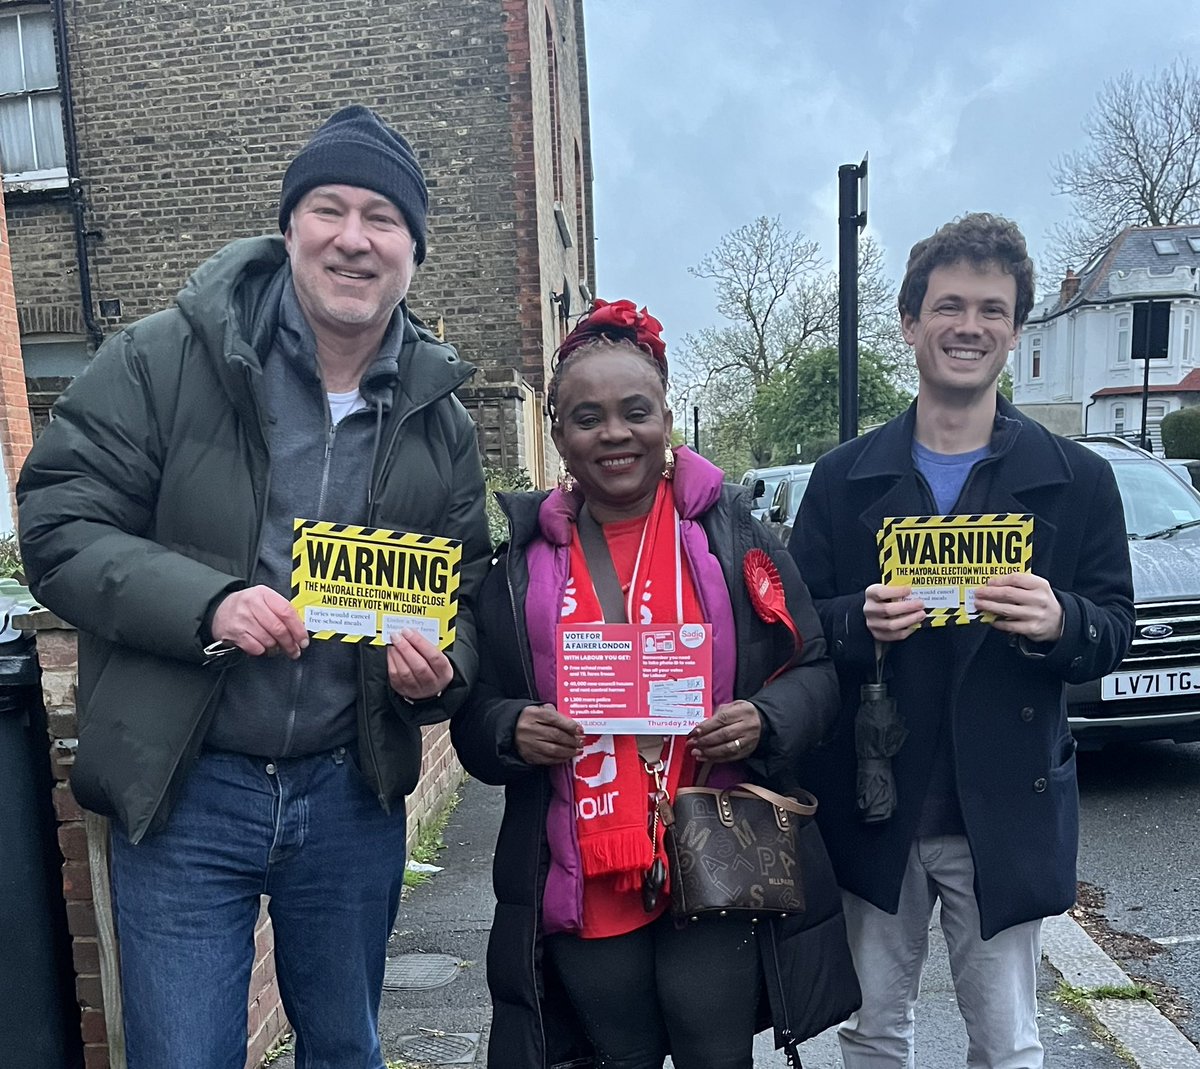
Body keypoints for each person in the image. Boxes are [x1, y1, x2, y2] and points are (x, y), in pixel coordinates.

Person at [17, 105, 491, 1069]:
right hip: (190, 784)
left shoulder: (441, 419)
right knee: (181, 1057)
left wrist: (439, 671)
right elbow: (57, 527)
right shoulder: (161, 358)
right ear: (289, 226)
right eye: (330, 208)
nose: (354, 238)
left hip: (349, 789)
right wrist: (208, 603)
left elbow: (470, 594)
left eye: (383, 218)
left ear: (413, 250)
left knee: (346, 1051)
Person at [450, 298, 860, 1069]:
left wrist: (764, 719)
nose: (613, 434)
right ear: (558, 433)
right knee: (620, 1056)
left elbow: (816, 673)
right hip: (585, 860)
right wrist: (511, 727)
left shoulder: (733, 533)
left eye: (635, 411)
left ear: (667, 416)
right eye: (586, 416)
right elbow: (474, 717)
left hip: (713, 851)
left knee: (715, 1054)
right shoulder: (521, 564)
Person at [789, 213, 1135, 1068]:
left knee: (1008, 1042)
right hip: (877, 800)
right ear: (910, 323)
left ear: (1016, 330)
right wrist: (852, 622)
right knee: (872, 1032)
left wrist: (1061, 623)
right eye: (949, 306)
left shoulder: (1077, 479)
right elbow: (791, 628)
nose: (968, 326)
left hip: (1004, 806)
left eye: (991, 309)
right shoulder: (842, 478)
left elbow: (1114, 628)